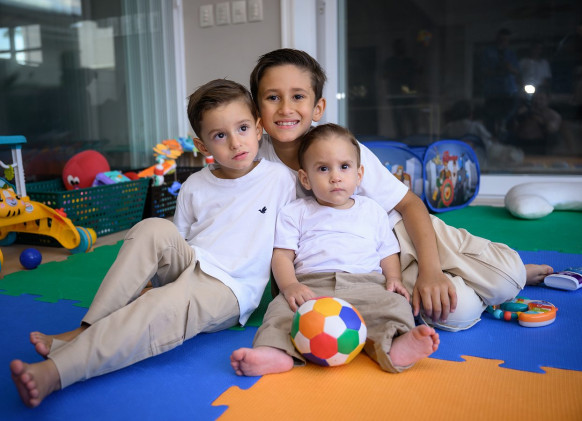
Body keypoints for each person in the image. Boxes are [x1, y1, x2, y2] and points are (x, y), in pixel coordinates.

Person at [10, 79, 297, 408]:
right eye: (220, 135)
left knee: (158, 305)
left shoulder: (280, 179)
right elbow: (176, 240)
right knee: (152, 227)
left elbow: (299, 235)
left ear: (258, 128)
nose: (235, 142)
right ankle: (87, 327)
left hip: (229, 287)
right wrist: (147, 280)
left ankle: (55, 372)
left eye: (243, 128)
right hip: (191, 262)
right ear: (202, 146)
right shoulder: (195, 184)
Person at [246, 48, 552, 333]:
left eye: (298, 96)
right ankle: (475, 282)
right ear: (257, 109)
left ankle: (504, 272)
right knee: (455, 314)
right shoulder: (255, 164)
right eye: (272, 97)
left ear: (317, 108)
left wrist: (431, 271)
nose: (285, 108)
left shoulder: (339, 149)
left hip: (400, 231)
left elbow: (410, 205)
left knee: (508, 277)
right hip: (367, 264)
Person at [231, 123, 440, 376]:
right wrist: (290, 286)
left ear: (359, 174)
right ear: (305, 178)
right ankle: (275, 351)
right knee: (280, 312)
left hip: (367, 285)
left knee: (395, 305)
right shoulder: (294, 212)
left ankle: (396, 344)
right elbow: (282, 256)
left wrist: (394, 278)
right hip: (311, 287)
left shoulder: (372, 210)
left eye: (344, 167)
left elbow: (387, 252)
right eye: (323, 169)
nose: (335, 176)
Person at [480, 28, 521, 139]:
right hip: (492, 91)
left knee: (508, 118)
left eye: (506, 40)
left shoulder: (511, 54)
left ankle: (507, 140)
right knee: (491, 120)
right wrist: (496, 70)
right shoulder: (488, 53)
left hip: (508, 91)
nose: (503, 42)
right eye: (501, 40)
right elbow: (483, 71)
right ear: (496, 39)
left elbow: (517, 71)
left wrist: (509, 68)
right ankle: (491, 141)